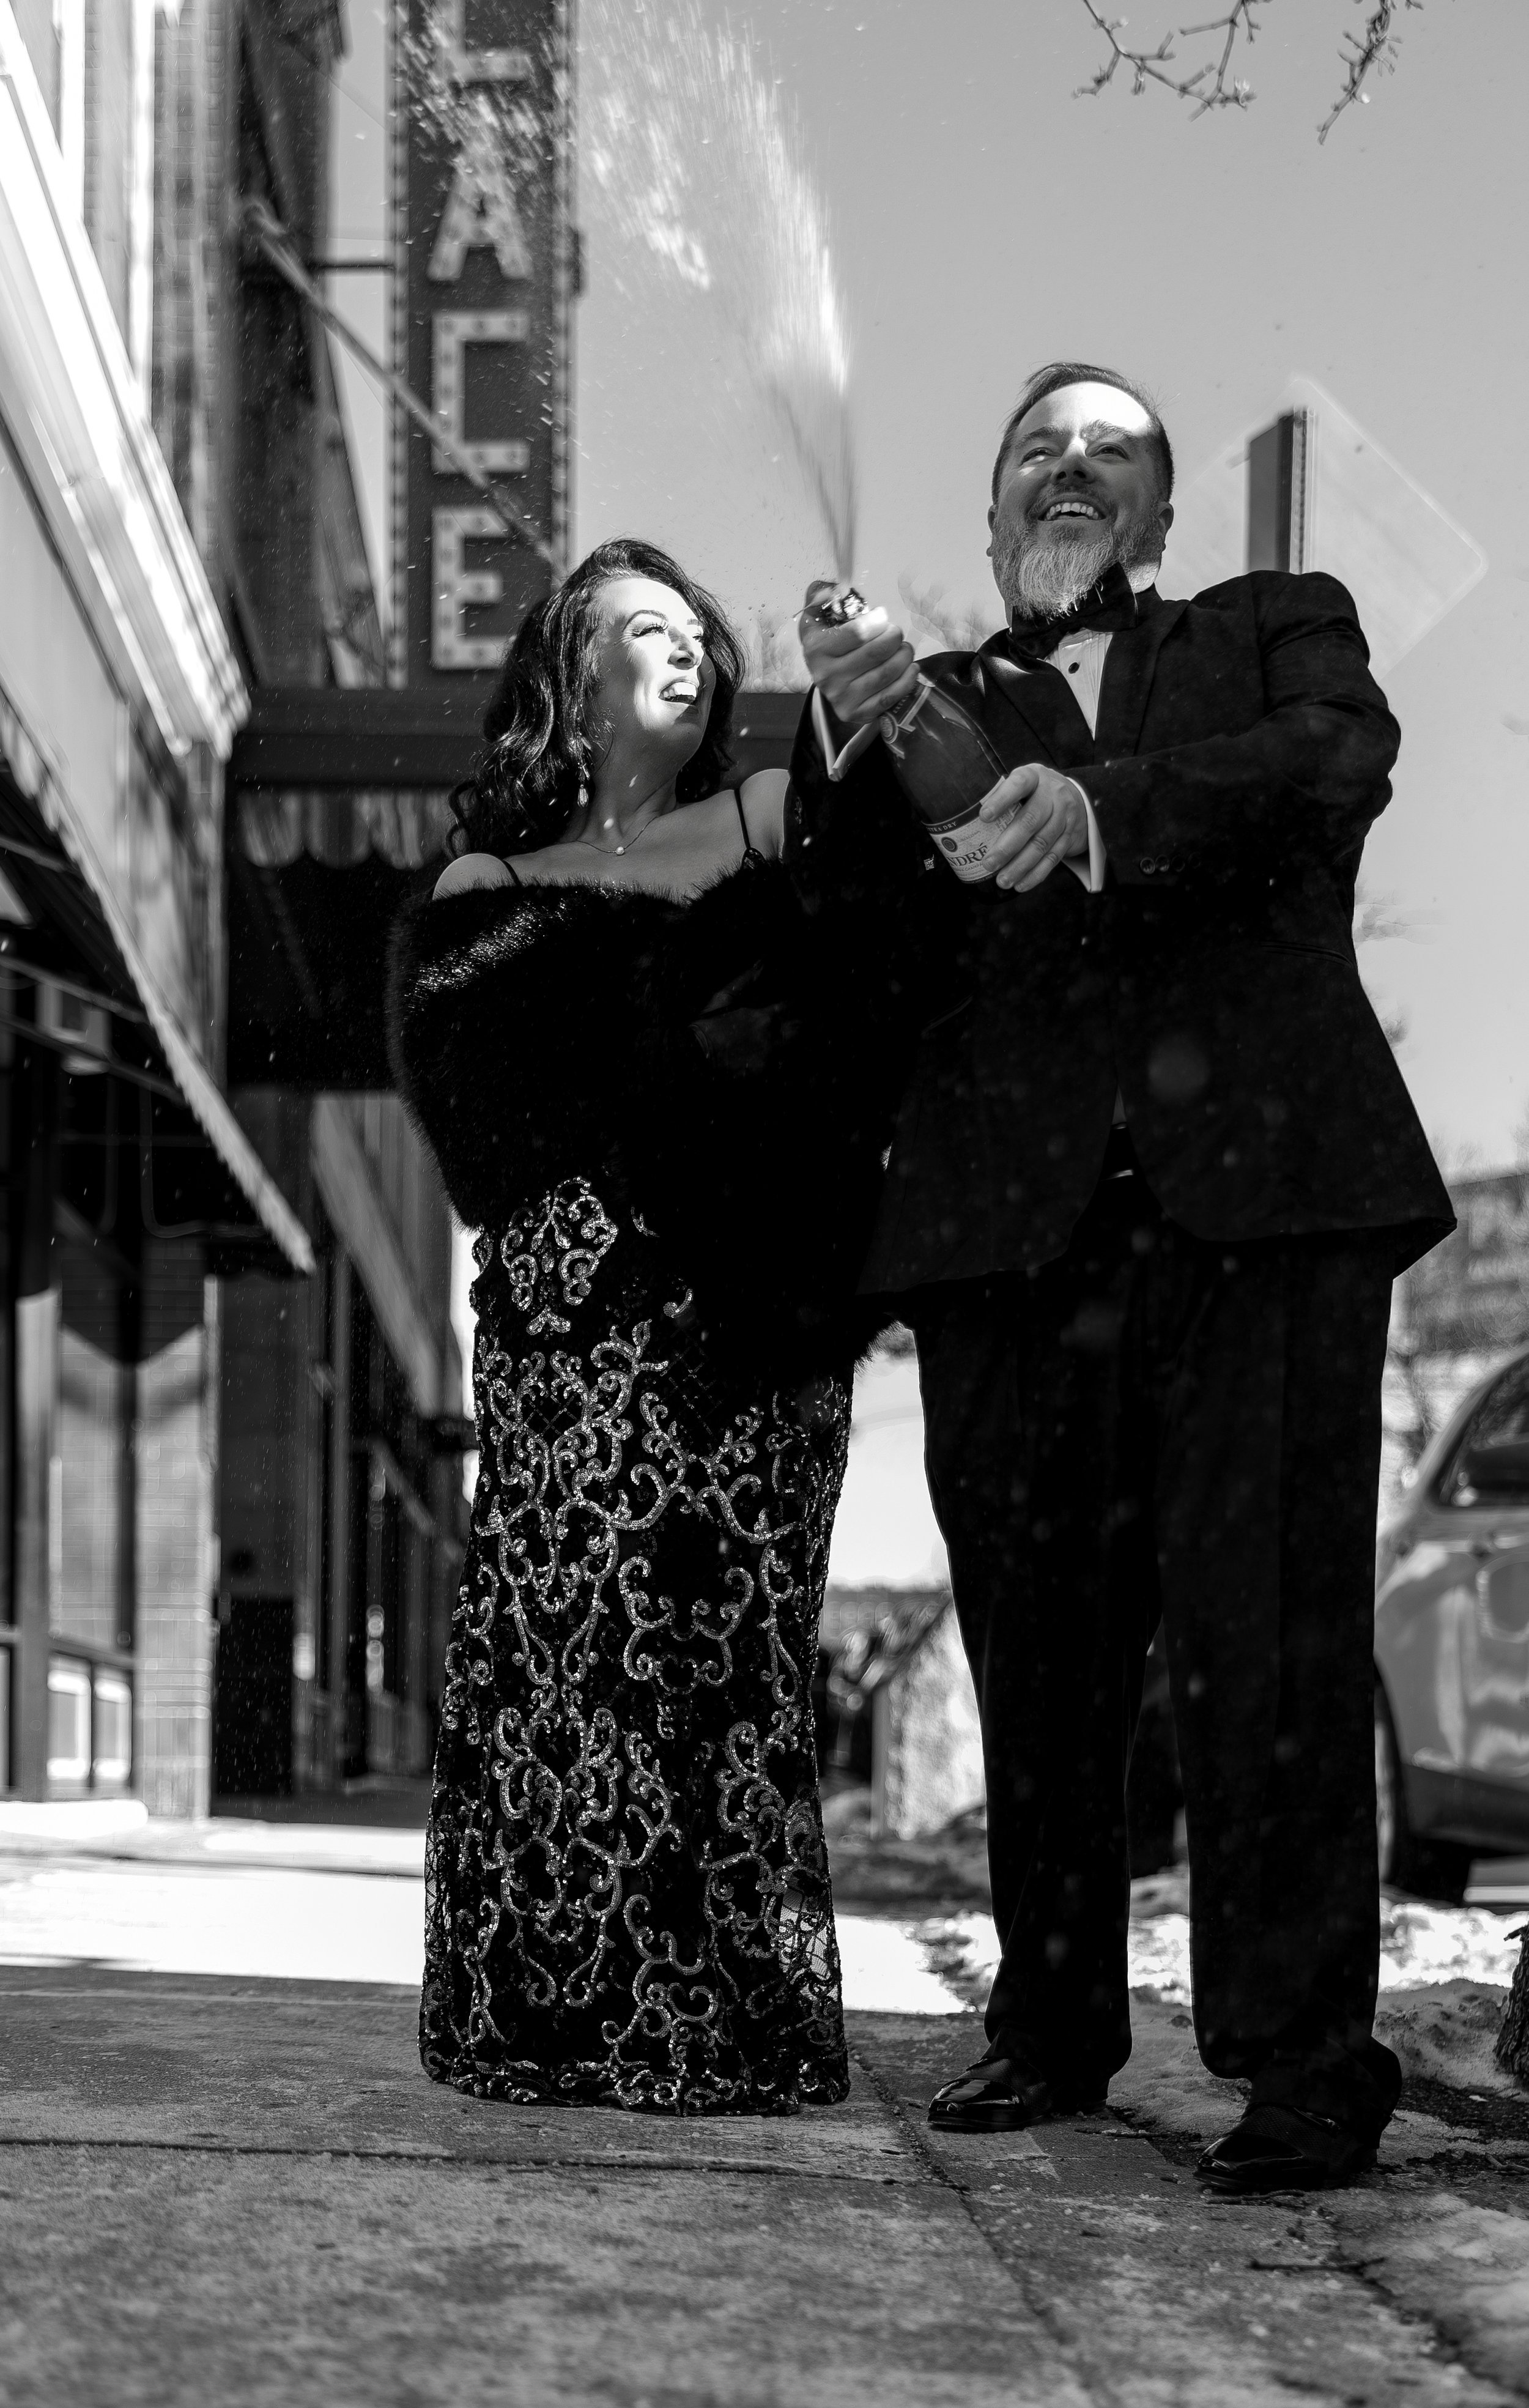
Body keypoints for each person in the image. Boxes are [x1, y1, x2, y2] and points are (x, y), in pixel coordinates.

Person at [791, 362, 1455, 2193]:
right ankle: (1051, 2022)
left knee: (1270, 1640)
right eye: (1032, 453)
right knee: (1039, 1646)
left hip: (1258, 1209)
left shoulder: (1266, 628)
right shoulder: (914, 705)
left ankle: (1305, 2054)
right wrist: (844, 745)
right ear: (990, 518)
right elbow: (843, 955)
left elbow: (1336, 762)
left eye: (1108, 456)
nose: (1066, 472)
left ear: (1155, 521)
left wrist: (1100, 808)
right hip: (1008, 1240)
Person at [388, 536, 906, 2116]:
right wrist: (685, 1051)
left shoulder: (767, 814)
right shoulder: (479, 883)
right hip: (558, 1325)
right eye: (641, 627)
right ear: (566, 671)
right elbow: (484, 1130)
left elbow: (860, 996)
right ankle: (547, 2015)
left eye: (697, 629)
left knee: (714, 1646)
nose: (683, 649)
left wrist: (860, 716)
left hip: (742, 1318)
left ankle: (712, 2013)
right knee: (554, 1660)